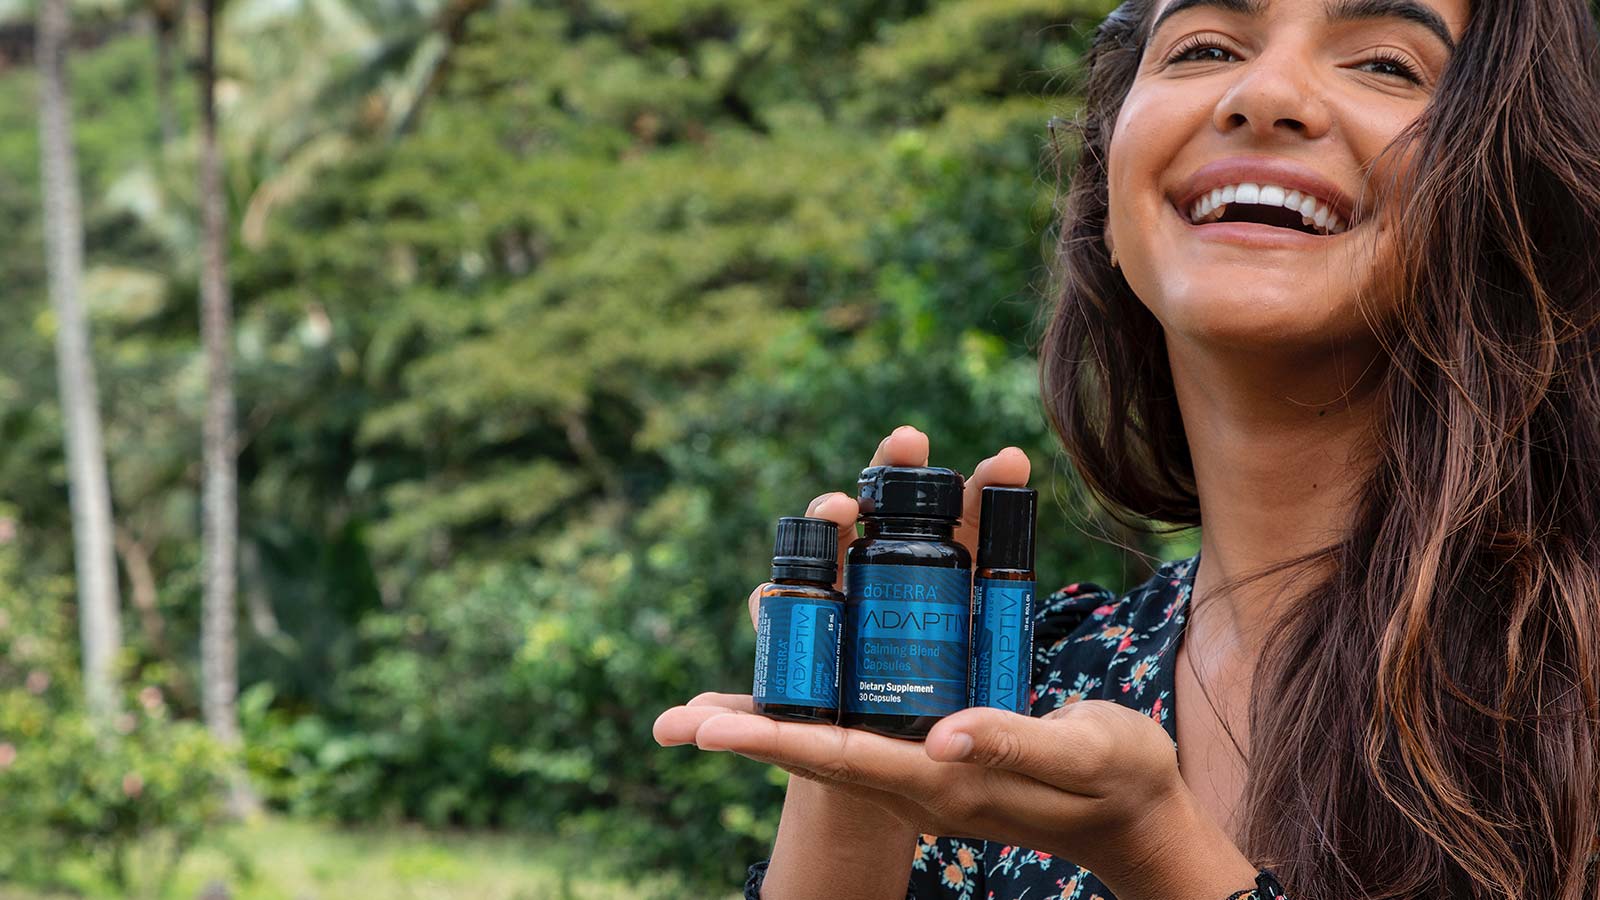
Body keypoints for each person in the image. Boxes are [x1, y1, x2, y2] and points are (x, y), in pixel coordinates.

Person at [654, 0, 1600, 896]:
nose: (1264, 94)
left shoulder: (1578, 676)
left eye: (1386, 63)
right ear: (1108, 186)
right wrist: (857, 786)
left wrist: (1153, 849)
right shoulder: (1028, 696)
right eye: (1205, 47)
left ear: (1511, 187)